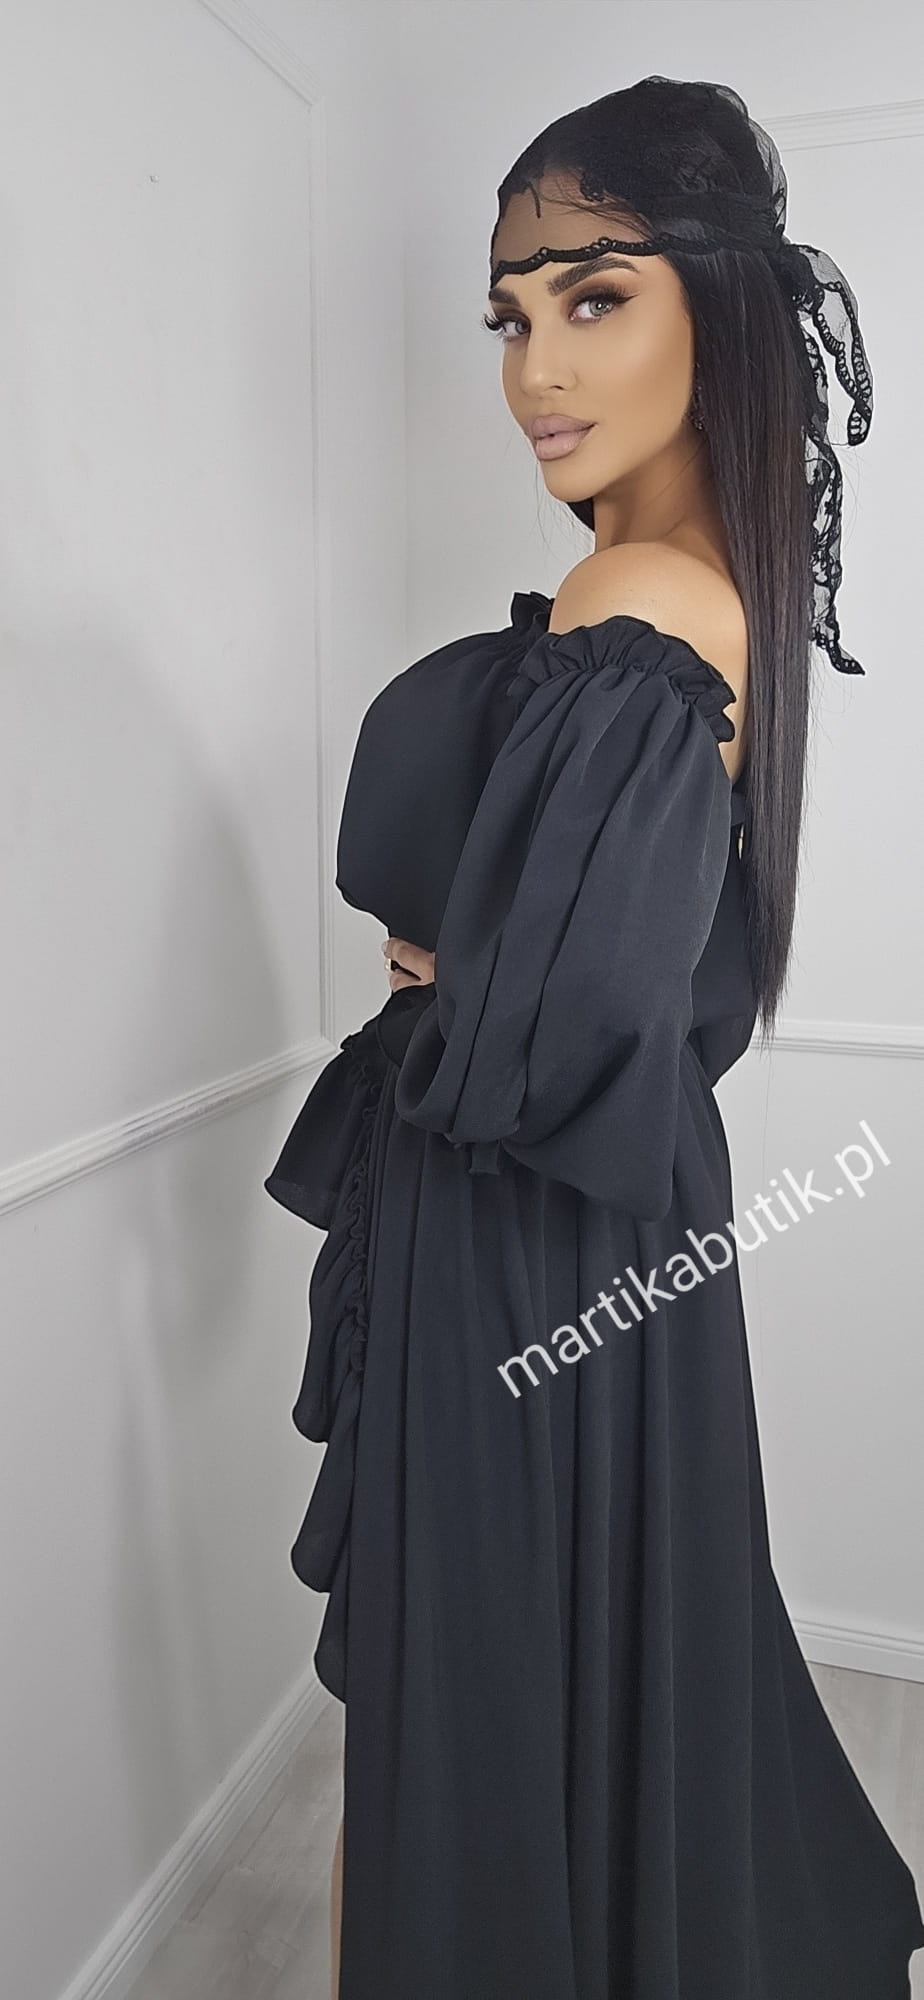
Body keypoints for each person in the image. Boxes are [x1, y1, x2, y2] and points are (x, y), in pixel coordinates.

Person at [265, 76, 924, 2000]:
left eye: (596, 296)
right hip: (606, 1228)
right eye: (510, 314)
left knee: (468, 1693)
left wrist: (453, 978)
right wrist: (473, 964)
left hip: (516, 1232)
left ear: (720, 308)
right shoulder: (714, 591)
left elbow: (551, 1026)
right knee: (565, 1655)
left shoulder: (638, 596)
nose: (533, 369)